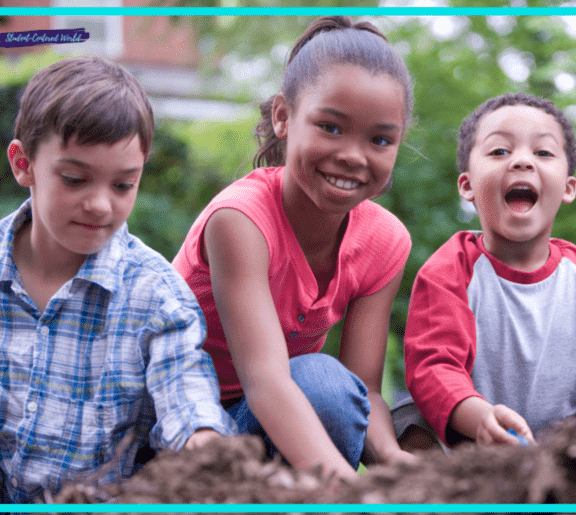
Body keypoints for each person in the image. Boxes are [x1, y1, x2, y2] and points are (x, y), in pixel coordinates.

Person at [0, 56, 236, 508]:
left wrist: (206, 446)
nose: (99, 205)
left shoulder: (156, 296)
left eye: (122, 186)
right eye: (75, 179)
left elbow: (186, 395)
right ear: (23, 164)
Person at [173, 16, 416, 481]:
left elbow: (363, 385)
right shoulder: (241, 221)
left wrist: (392, 460)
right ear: (284, 117)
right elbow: (265, 381)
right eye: (330, 127)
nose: (352, 155)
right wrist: (350, 496)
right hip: (184, 425)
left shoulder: (385, 241)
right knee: (318, 384)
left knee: (328, 385)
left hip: (271, 421)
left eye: (380, 139)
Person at [395, 93, 576, 450]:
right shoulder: (449, 270)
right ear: (466, 185)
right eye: (499, 151)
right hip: (474, 436)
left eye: (543, 153)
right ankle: (446, 497)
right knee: (403, 419)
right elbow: (434, 368)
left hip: (573, 437)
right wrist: (480, 418)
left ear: (568, 188)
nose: (522, 161)